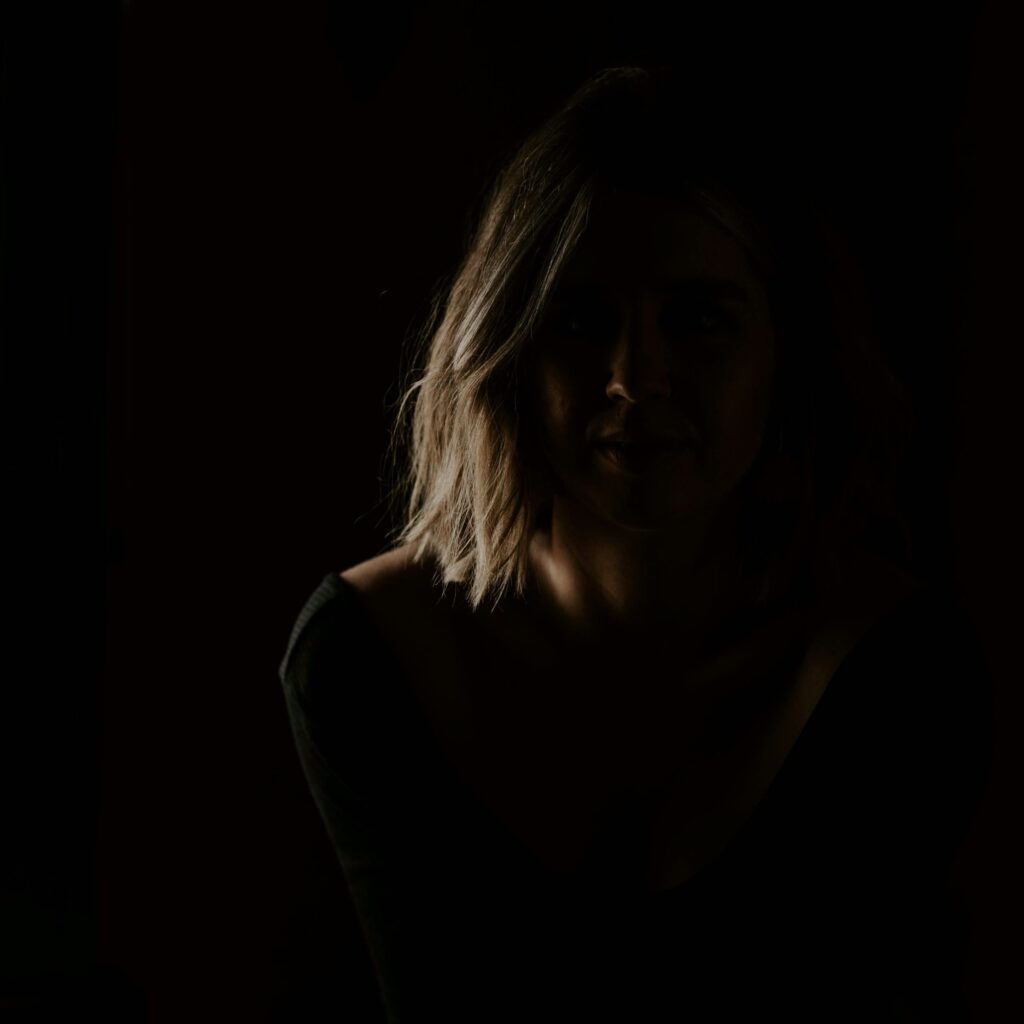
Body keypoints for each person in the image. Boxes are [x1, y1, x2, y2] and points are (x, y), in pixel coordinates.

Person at [278, 67, 995, 1022]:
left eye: (698, 320)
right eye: (582, 320)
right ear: (510, 345)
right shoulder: (368, 660)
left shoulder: (899, 676)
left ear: (786, 348)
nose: (637, 377)